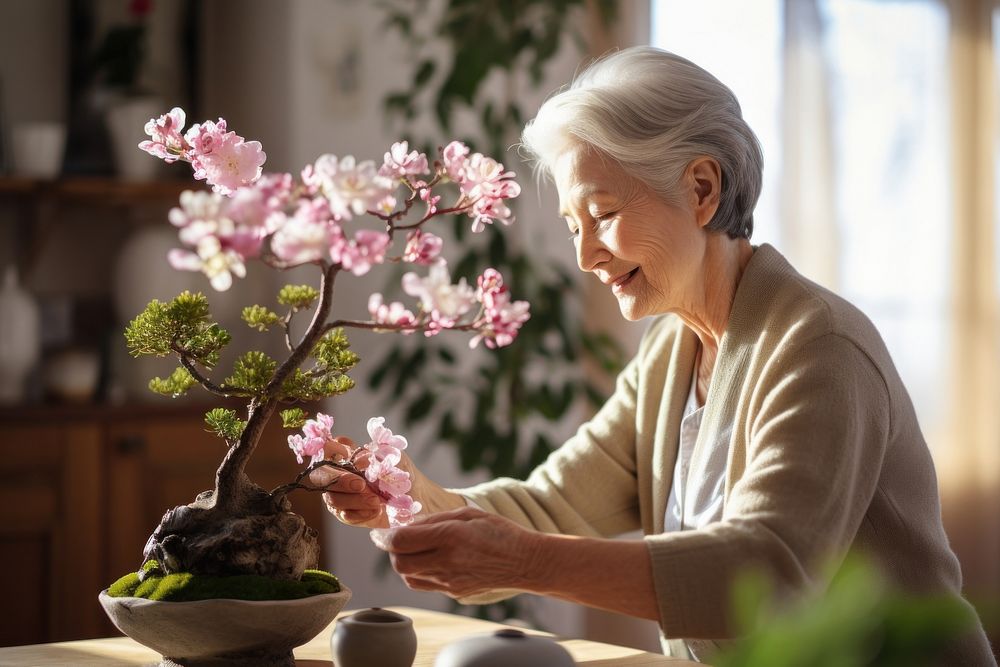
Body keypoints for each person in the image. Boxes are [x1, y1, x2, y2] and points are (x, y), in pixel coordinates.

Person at [310, 46, 996, 663]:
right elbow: (552, 508)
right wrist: (406, 497)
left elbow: (768, 573)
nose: (585, 256)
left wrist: (525, 561)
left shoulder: (819, 345)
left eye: (603, 214)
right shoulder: (672, 349)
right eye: (575, 226)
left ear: (702, 189)